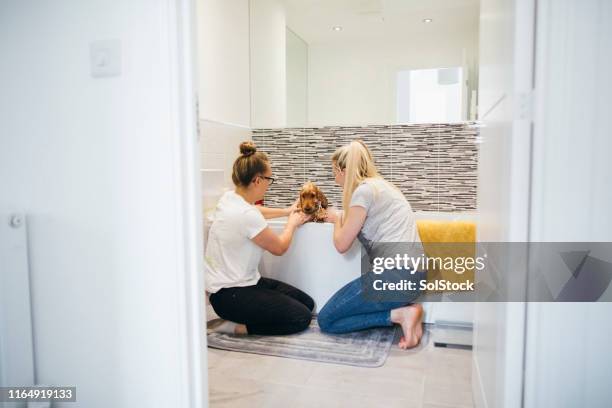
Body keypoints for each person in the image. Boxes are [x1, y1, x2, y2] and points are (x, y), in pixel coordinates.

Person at [319, 140, 425, 349]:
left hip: (394, 276)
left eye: (334, 172)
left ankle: (400, 315)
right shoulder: (382, 187)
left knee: (327, 320)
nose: (335, 179)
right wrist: (341, 216)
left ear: (343, 171)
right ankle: (405, 314)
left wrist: (335, 220)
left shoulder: (363, 192)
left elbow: (342, 244)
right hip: (412, 276)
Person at [206, 141, 314, 335]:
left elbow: (255, 210)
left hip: (240, 285)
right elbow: (280, 248)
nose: (268, 184)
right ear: (257, 180)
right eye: (268, 179)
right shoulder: (247, 215)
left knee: (307, 303)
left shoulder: (229, 199)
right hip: (231, 295)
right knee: (301, 317)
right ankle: (236, 328)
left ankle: (240, 318)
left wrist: (286, 211)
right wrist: (292, 223)